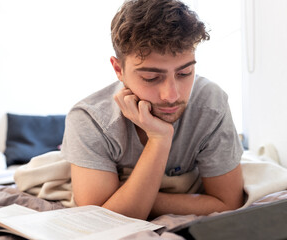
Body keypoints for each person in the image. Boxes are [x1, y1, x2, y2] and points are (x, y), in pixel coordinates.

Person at [61, 0, 244, 220]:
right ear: (118, 69)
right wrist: (160, 138)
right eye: (151, 78)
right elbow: (101, 221)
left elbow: (228, 203)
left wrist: (134, 195)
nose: (172, 95)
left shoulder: (211, 104)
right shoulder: (89, 119)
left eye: (185, 73)